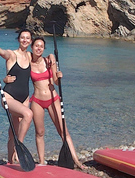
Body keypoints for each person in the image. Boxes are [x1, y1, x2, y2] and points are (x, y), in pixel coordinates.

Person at [18, 36, 85, 169]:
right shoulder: (27, 62)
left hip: (53, 99)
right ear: (32, 47)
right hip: (37, 101)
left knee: (63, 131)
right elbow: (15, 60)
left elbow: (56, 81)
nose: (39, 48)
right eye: (36, 45)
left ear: (44, 49)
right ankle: (42, 161)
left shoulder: (49, 61)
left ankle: (76, 161)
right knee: (40, 132)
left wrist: (59, 78)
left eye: (41, 46)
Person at [0, 29, 34, 164]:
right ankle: (20, 147)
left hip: (24, 98)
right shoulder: (12, 55)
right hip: (9, 96)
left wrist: (52, 59)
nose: (25, 40)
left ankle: (10, 161)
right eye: (22, 37)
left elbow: (43, 59)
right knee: (28, 115)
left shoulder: (30, 56)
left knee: (13, 131)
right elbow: (2, 52)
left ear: (30, 41)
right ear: (19, 39)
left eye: (27, 38)